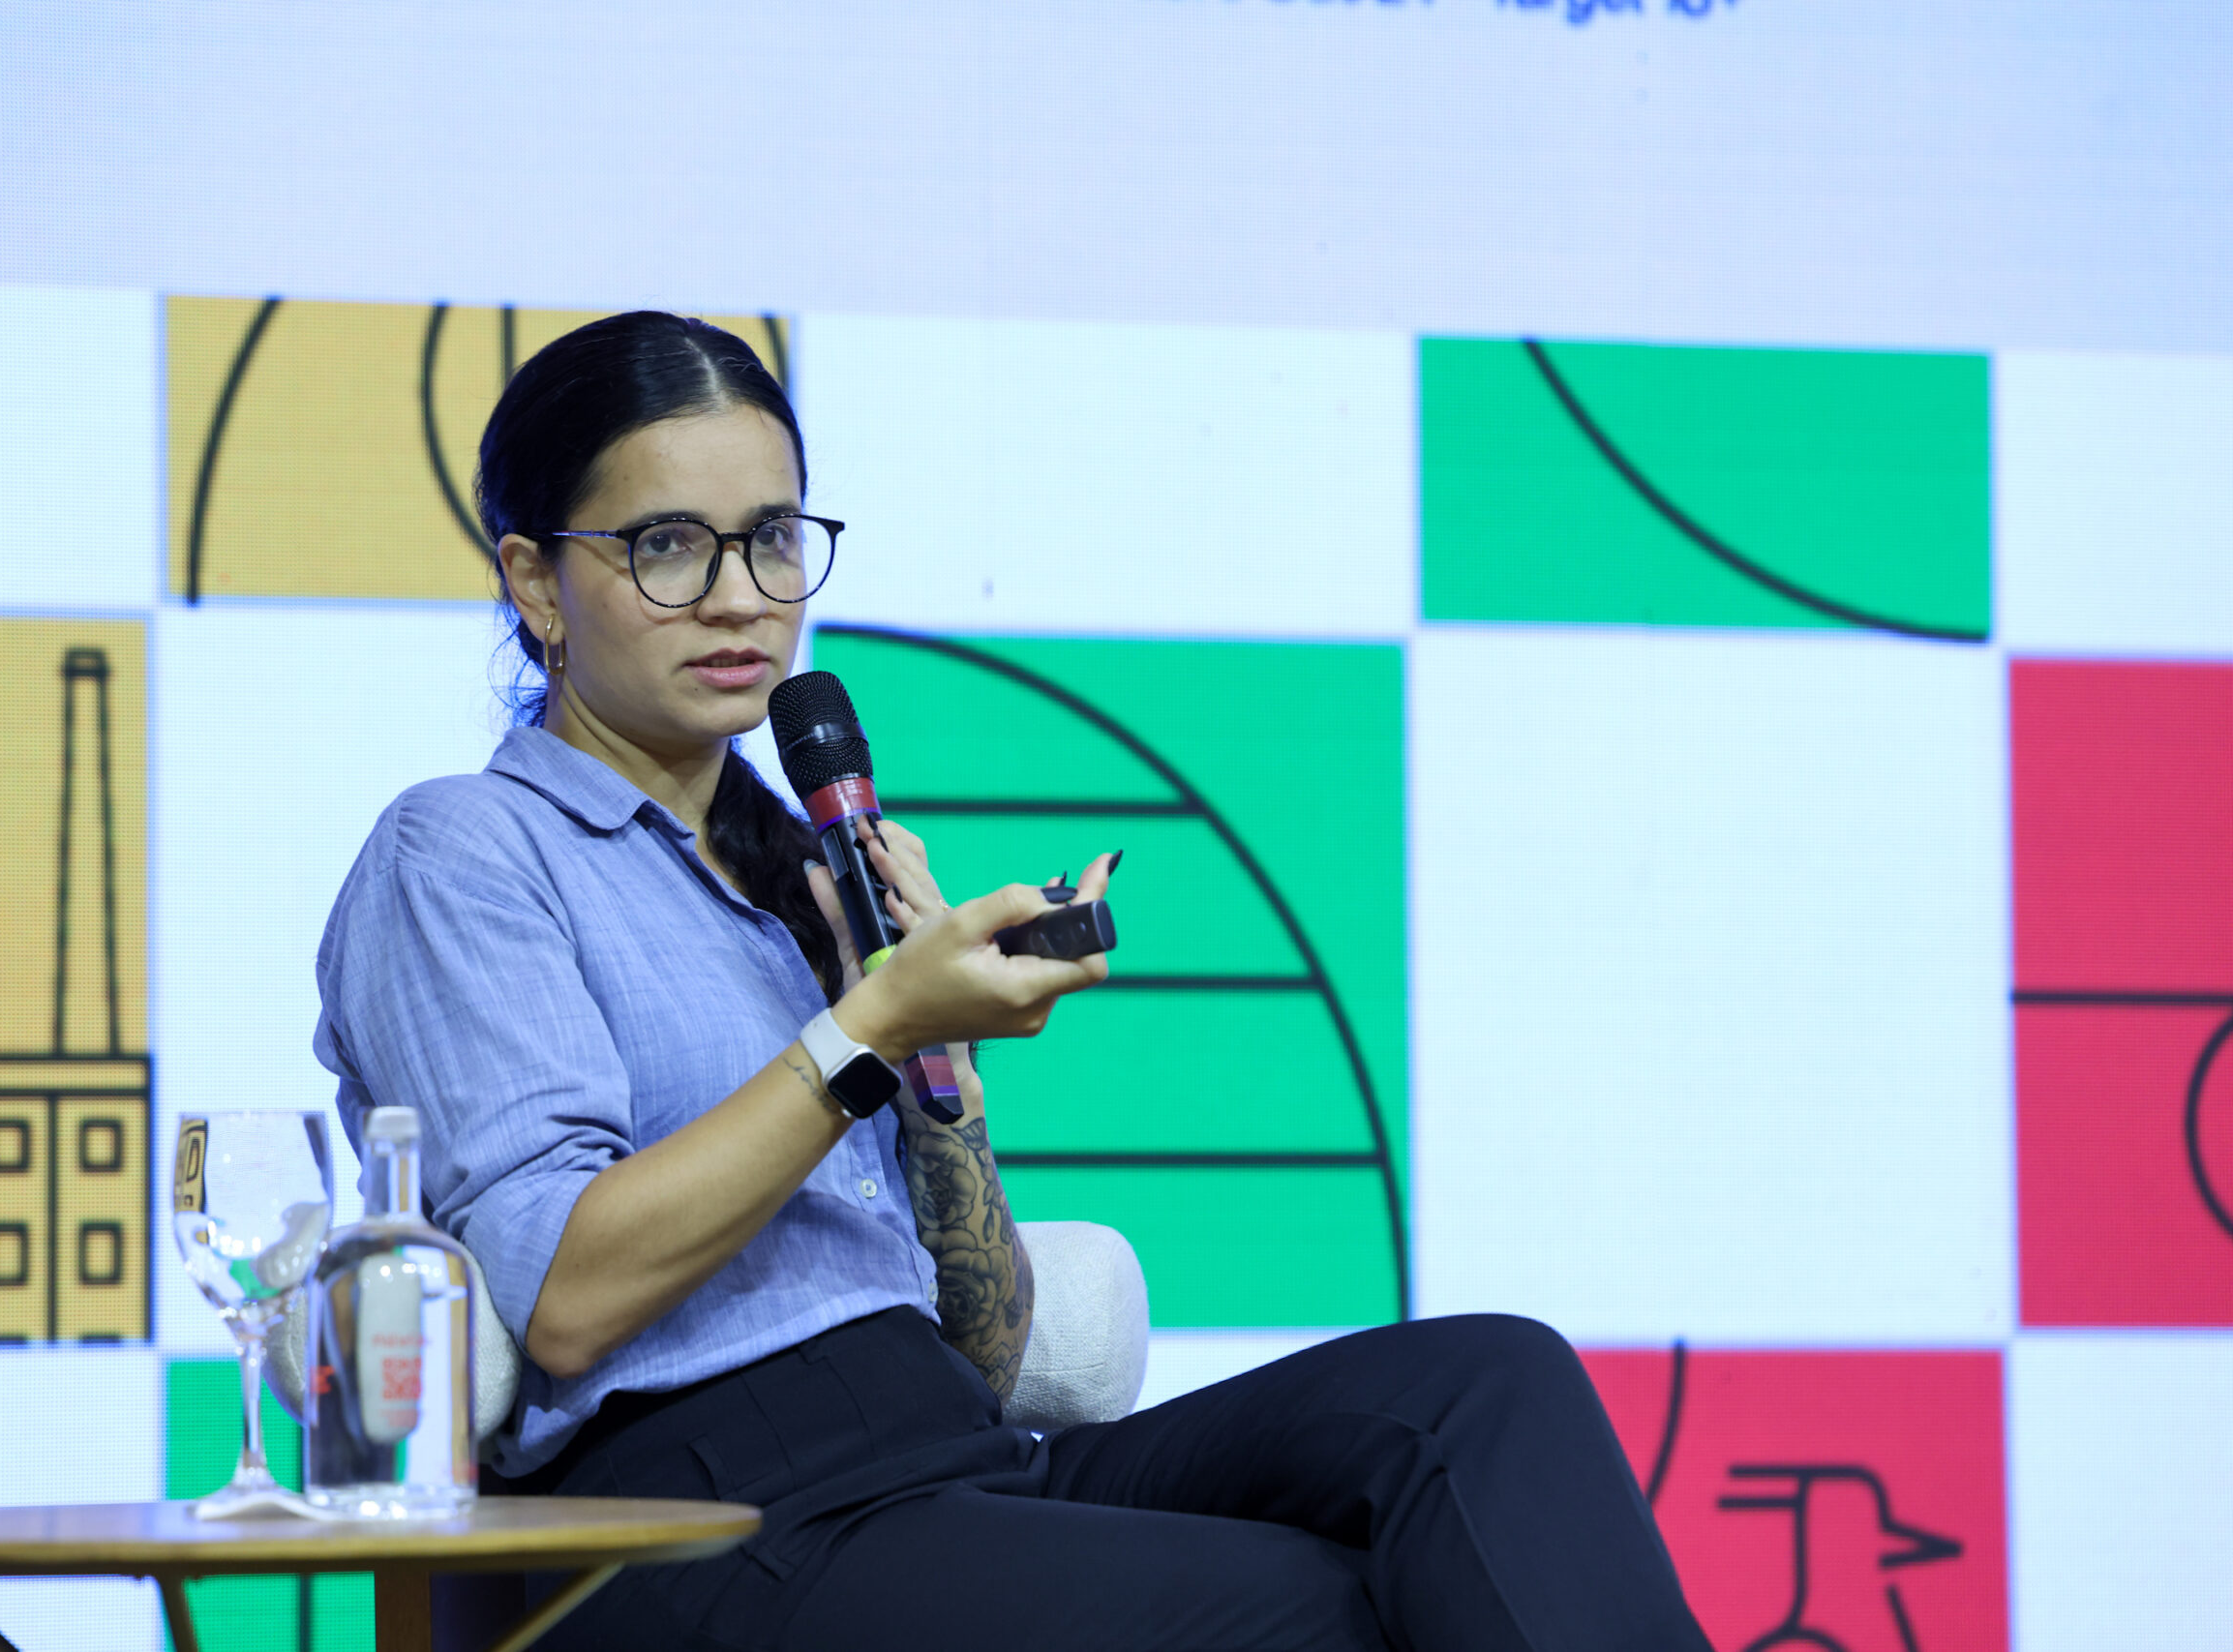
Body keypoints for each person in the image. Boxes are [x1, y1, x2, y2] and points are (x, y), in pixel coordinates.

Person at [314, 311, 1712, 1652]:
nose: (740, 596)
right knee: (1329, 1613)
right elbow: (560, 1294)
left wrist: (939, 1074)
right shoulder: (464, 848)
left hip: (949, 1457)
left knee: (1487, 1389)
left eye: (774, 539)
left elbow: (982, 1349)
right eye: (668, 546)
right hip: (702, 1524)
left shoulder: (802, 875)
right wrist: (869, 1027)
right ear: (534, 581)